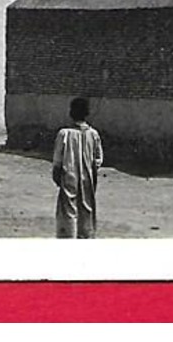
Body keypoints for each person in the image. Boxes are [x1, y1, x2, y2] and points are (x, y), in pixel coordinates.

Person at [52, 96, 103, 239]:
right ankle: (85, 236)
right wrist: (91, 170)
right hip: (87, 178)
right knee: (86, 207)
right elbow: (98, 159)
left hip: (68, 177)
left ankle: (70, 238)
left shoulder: (64, 134)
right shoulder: (93, 134)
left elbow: (57, 160)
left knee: (68, 210)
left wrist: (57, 176)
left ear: (71, 112)